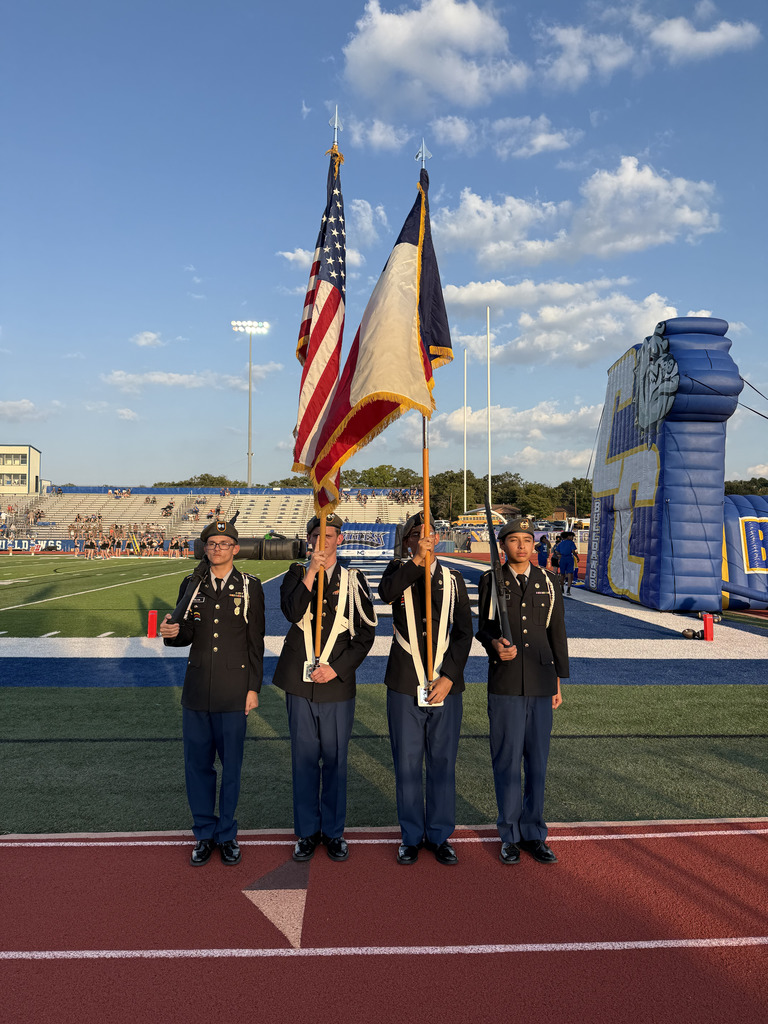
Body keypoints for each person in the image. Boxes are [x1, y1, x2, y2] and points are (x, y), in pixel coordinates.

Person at [159, 516, 265, 867]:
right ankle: (204, 833)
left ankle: (227, 834)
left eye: (223, 544)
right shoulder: (191, 583)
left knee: (231, 767)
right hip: (197, 690)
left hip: (234, 691)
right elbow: (185, 633)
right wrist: (171, 634)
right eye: (211, 544)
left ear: (235, 549)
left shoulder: (250, 586)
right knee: (198, 767)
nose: (217, 549)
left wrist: (253, 688)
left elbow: (255, 644)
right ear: (205, 549)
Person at [273, 513, 376, 863]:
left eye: (331, 535)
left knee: (334, 761)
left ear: (340, 540)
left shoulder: (353, 579)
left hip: (335, 683)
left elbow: (365, 636)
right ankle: (306, 833)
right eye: (318, 534)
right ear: (310, 539)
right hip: (299, 683)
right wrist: (312, 572)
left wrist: (337, 669)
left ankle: (333, 832)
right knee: (303, 761)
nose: (325, 540)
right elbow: (290, 611)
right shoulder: (295, 574)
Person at [378, 512, 473, 866]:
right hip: (405, 682)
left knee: (442, 762)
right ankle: (411, 835)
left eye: (430, 533)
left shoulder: (454, 579)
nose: (425, 538)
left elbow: (464, 633)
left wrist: (449, 676)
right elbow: (387, 594)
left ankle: (440, 834)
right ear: (407, 541)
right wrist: (417, 560)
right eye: (417, 534)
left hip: (445, 685)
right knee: (407, 762)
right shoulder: (397, 572)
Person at [476, 515, 569, 866]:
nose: (521, 546)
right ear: (503, 546)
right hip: (506, 682)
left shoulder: (550, 580)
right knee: (506, 760)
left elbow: (556, 632)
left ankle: (534, 833)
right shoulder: (491, 581)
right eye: (513, 540)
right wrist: (494, 644)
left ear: (534, 545)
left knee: (538, 762)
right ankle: (510, 834)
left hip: (542, 681)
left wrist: (558, 679)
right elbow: (483, 628)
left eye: (527, 540)